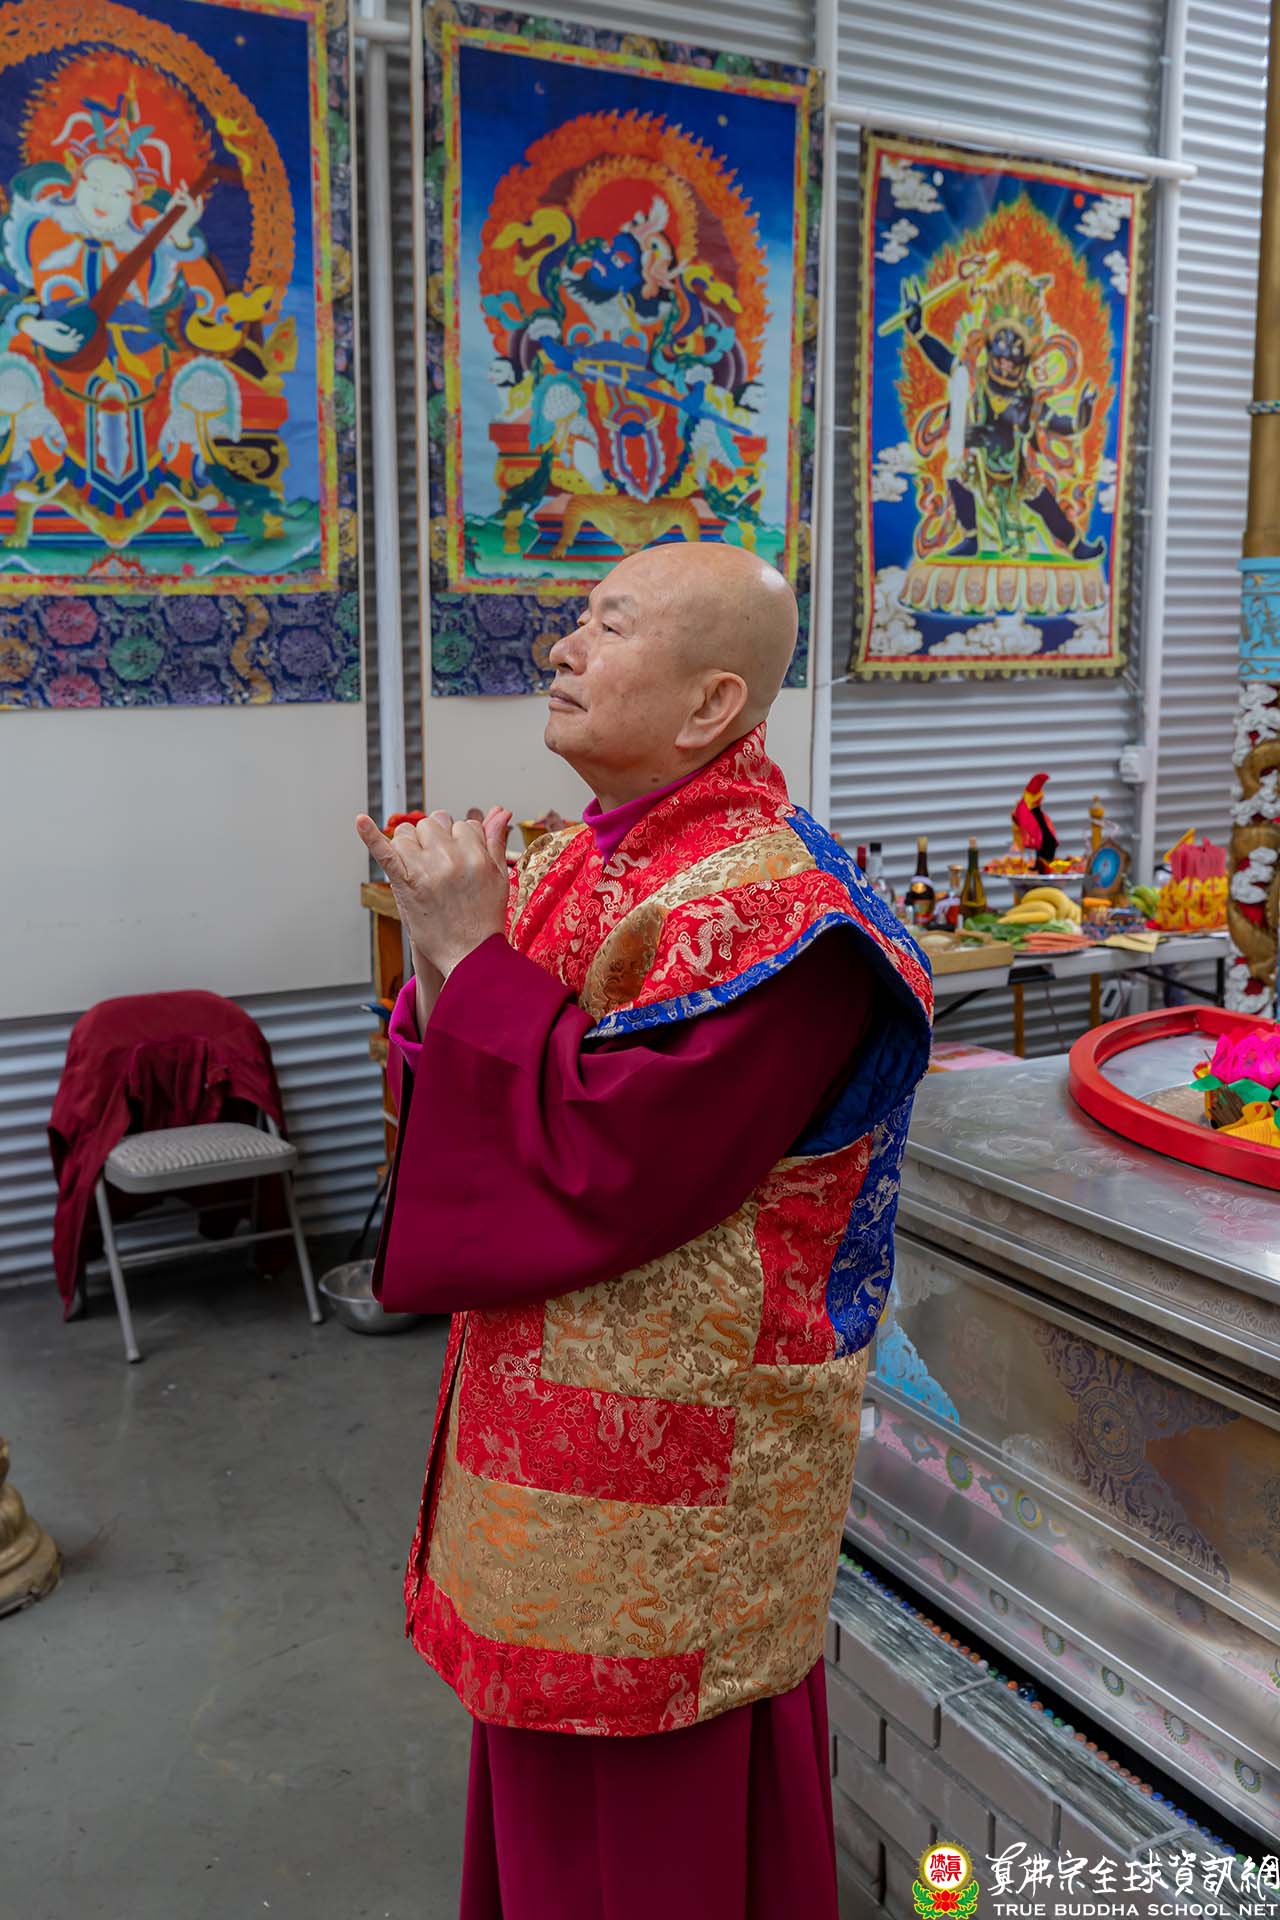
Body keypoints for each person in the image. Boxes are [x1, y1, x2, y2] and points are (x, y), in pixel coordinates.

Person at [354, 542, 933, 1920]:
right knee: (542, 1804)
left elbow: (614, 1168)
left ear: (710, 704)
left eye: (608, 626)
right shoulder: (572, 858)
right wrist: (446, 954)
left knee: (662, 1841)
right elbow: (473, 1109)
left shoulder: (783, 916)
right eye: (578, 618)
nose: (562, 647)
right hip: (535, 1452)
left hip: (681, 1479)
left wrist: (469, 957)